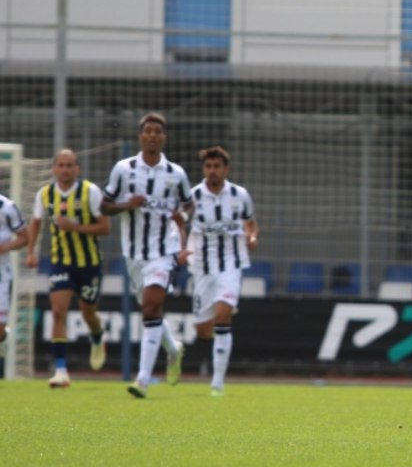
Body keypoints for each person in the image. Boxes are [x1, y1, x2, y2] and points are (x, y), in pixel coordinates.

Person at [102, 112, 194, 398]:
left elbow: (189, 204)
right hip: (133, 253)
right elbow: (104, 206)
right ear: (140, 136)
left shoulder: (176, 174)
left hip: (164, 251)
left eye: (157, 131)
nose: (153, 135)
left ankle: (142, 380)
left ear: (164, 138)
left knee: (152, 306)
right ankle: (173, 349)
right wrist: (126, 205)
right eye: (148, 131)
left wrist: (182, 217)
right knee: (150, 309)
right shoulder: (123, 169)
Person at [25, 149, 110, 387]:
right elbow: (36, 222)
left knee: (88, 314)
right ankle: (61, 371)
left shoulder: (90, 192)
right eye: (61, 165)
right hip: (61, 261)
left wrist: (75, 227)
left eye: (69, 165)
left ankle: (97, 336)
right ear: (54, 169)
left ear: (77, 169)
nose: (65, 170)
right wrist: (31, 252)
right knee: (58, 311)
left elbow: (105, 227)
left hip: (89, 263)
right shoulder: (45, 194)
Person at [184, 146, 258, 397]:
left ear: (226, 169)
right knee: (203, 330)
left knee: (223, 315)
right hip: (202, 268)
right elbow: (178, 223)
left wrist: (251, 236)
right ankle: (207, 349)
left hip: (231, 264)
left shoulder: (240, 195)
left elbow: (250, 223)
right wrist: (181, 249)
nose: (212, 171)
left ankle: (217, 382)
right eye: (208, 166)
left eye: (217, 166)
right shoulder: (193, 196)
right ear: (203, 169)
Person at [0, 193, 30, 373]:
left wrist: (5, 247)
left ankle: (3, 338)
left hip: (1, 275)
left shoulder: (7, 207)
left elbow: (24, 237)